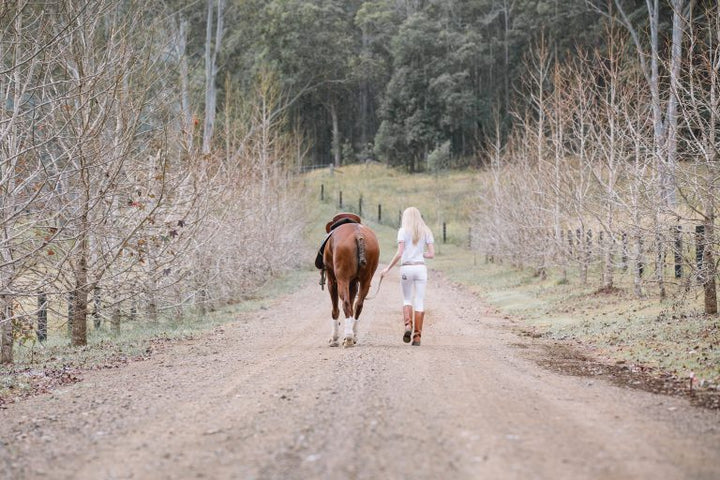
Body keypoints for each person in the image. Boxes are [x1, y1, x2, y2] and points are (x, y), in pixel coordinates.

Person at [380, 207, 435, 346]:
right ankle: (417, 337)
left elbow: (399, 253)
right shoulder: (426, 230)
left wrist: (387, 268)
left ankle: (408, 326)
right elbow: (431, 254)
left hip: (406, 268)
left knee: (406, 299)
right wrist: (419, 254)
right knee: (420, 301)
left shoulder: (403, 231)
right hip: (420, 268)